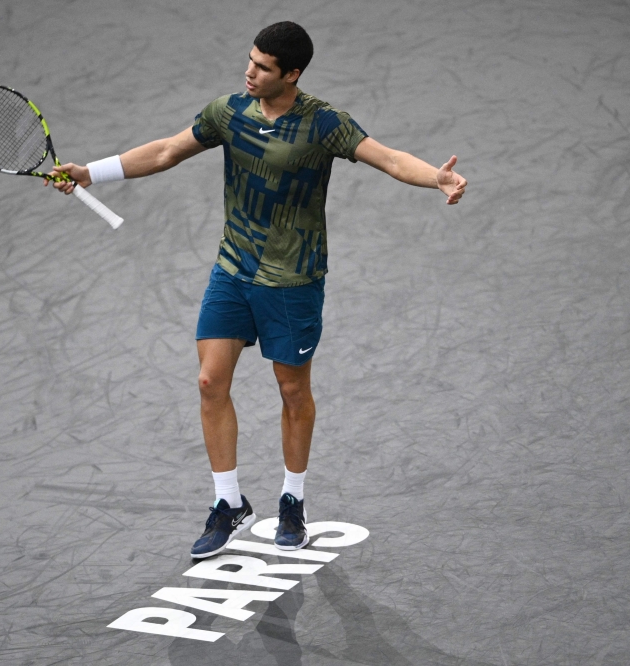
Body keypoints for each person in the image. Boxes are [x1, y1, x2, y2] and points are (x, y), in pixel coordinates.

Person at [48, 21, 467, 559]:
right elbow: (166, 151)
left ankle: (292, 500)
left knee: (293, 392)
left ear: (291, 74)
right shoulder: (228, 112)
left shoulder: (323, 124)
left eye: (264, 67)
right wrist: (90, 173)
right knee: (208, 381)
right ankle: (229, 503)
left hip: (292, 282)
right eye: (250, 60)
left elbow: (386, 158)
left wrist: (436, 177)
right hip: (233, 270)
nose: (250, 71)